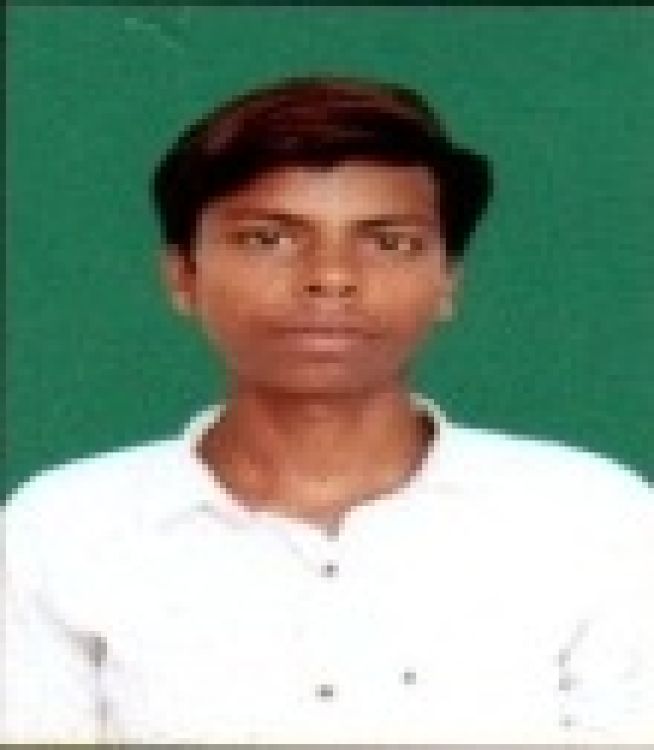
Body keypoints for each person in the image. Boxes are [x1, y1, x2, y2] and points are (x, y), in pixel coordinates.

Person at [3, 75, 653, 745]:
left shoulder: (595, 521)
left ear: (447, 282)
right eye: (267, 239)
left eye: (389, 242)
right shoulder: (62, 530)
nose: (331, 278)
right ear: (183, 276)